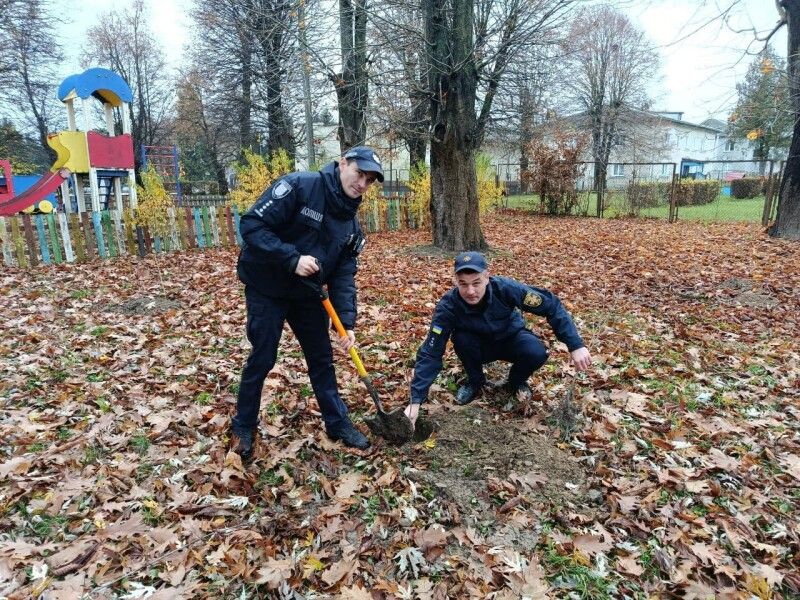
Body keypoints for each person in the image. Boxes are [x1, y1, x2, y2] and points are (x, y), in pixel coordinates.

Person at [231, 146, 384, 460]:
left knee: (321, 358)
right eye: (359, 174)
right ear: (343, 163)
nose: (362, 184)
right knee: (263, 355)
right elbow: (251, 225)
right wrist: (291, 259)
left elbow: (343, 274)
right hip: (267, 284)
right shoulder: (300, 186)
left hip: (307, 292)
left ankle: (337, 422)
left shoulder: (350, 224)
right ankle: (243, 424)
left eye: (369, 181)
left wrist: (347, 322)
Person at [404, 251, 592, 426]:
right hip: (476, 347)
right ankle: (475, 381)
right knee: (461, 339)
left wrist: (575, 345)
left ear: (487, 277)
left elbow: (551, 305)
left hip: (510, 339)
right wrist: (415, 401)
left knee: (537, 352)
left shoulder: (506, 288)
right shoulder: (448, 307)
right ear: (456, 282)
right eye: (463, 284)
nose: (470, 291)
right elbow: (431, 352)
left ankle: (516, 381)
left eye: (476, 282)